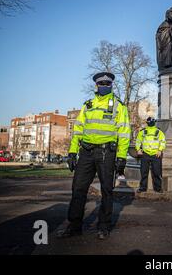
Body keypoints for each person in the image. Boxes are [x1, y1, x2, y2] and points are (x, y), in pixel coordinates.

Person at [58, 72, 131, 240]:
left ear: (111, 85)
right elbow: (78, 130)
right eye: (101, 83)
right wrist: (72, 152)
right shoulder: (87, 105)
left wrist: (121, 157)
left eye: (107, 83)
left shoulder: (119, 106)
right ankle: (74, 225)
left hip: (107, 153)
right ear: (96, 85)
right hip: (86, 153)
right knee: (78, 189)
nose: (104, 85)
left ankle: (103, 226)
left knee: (106, 190)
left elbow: (124, 132)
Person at [135, 117, 166, 193]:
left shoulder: (159, 132)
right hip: (145, 154)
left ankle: (158, 188)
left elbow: (163, 141)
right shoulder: (143, 132)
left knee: (157, 172)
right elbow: (138, 141)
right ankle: (142, 188)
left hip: (156, 154)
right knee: (144, 172)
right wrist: (138, 149)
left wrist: (160, 150)